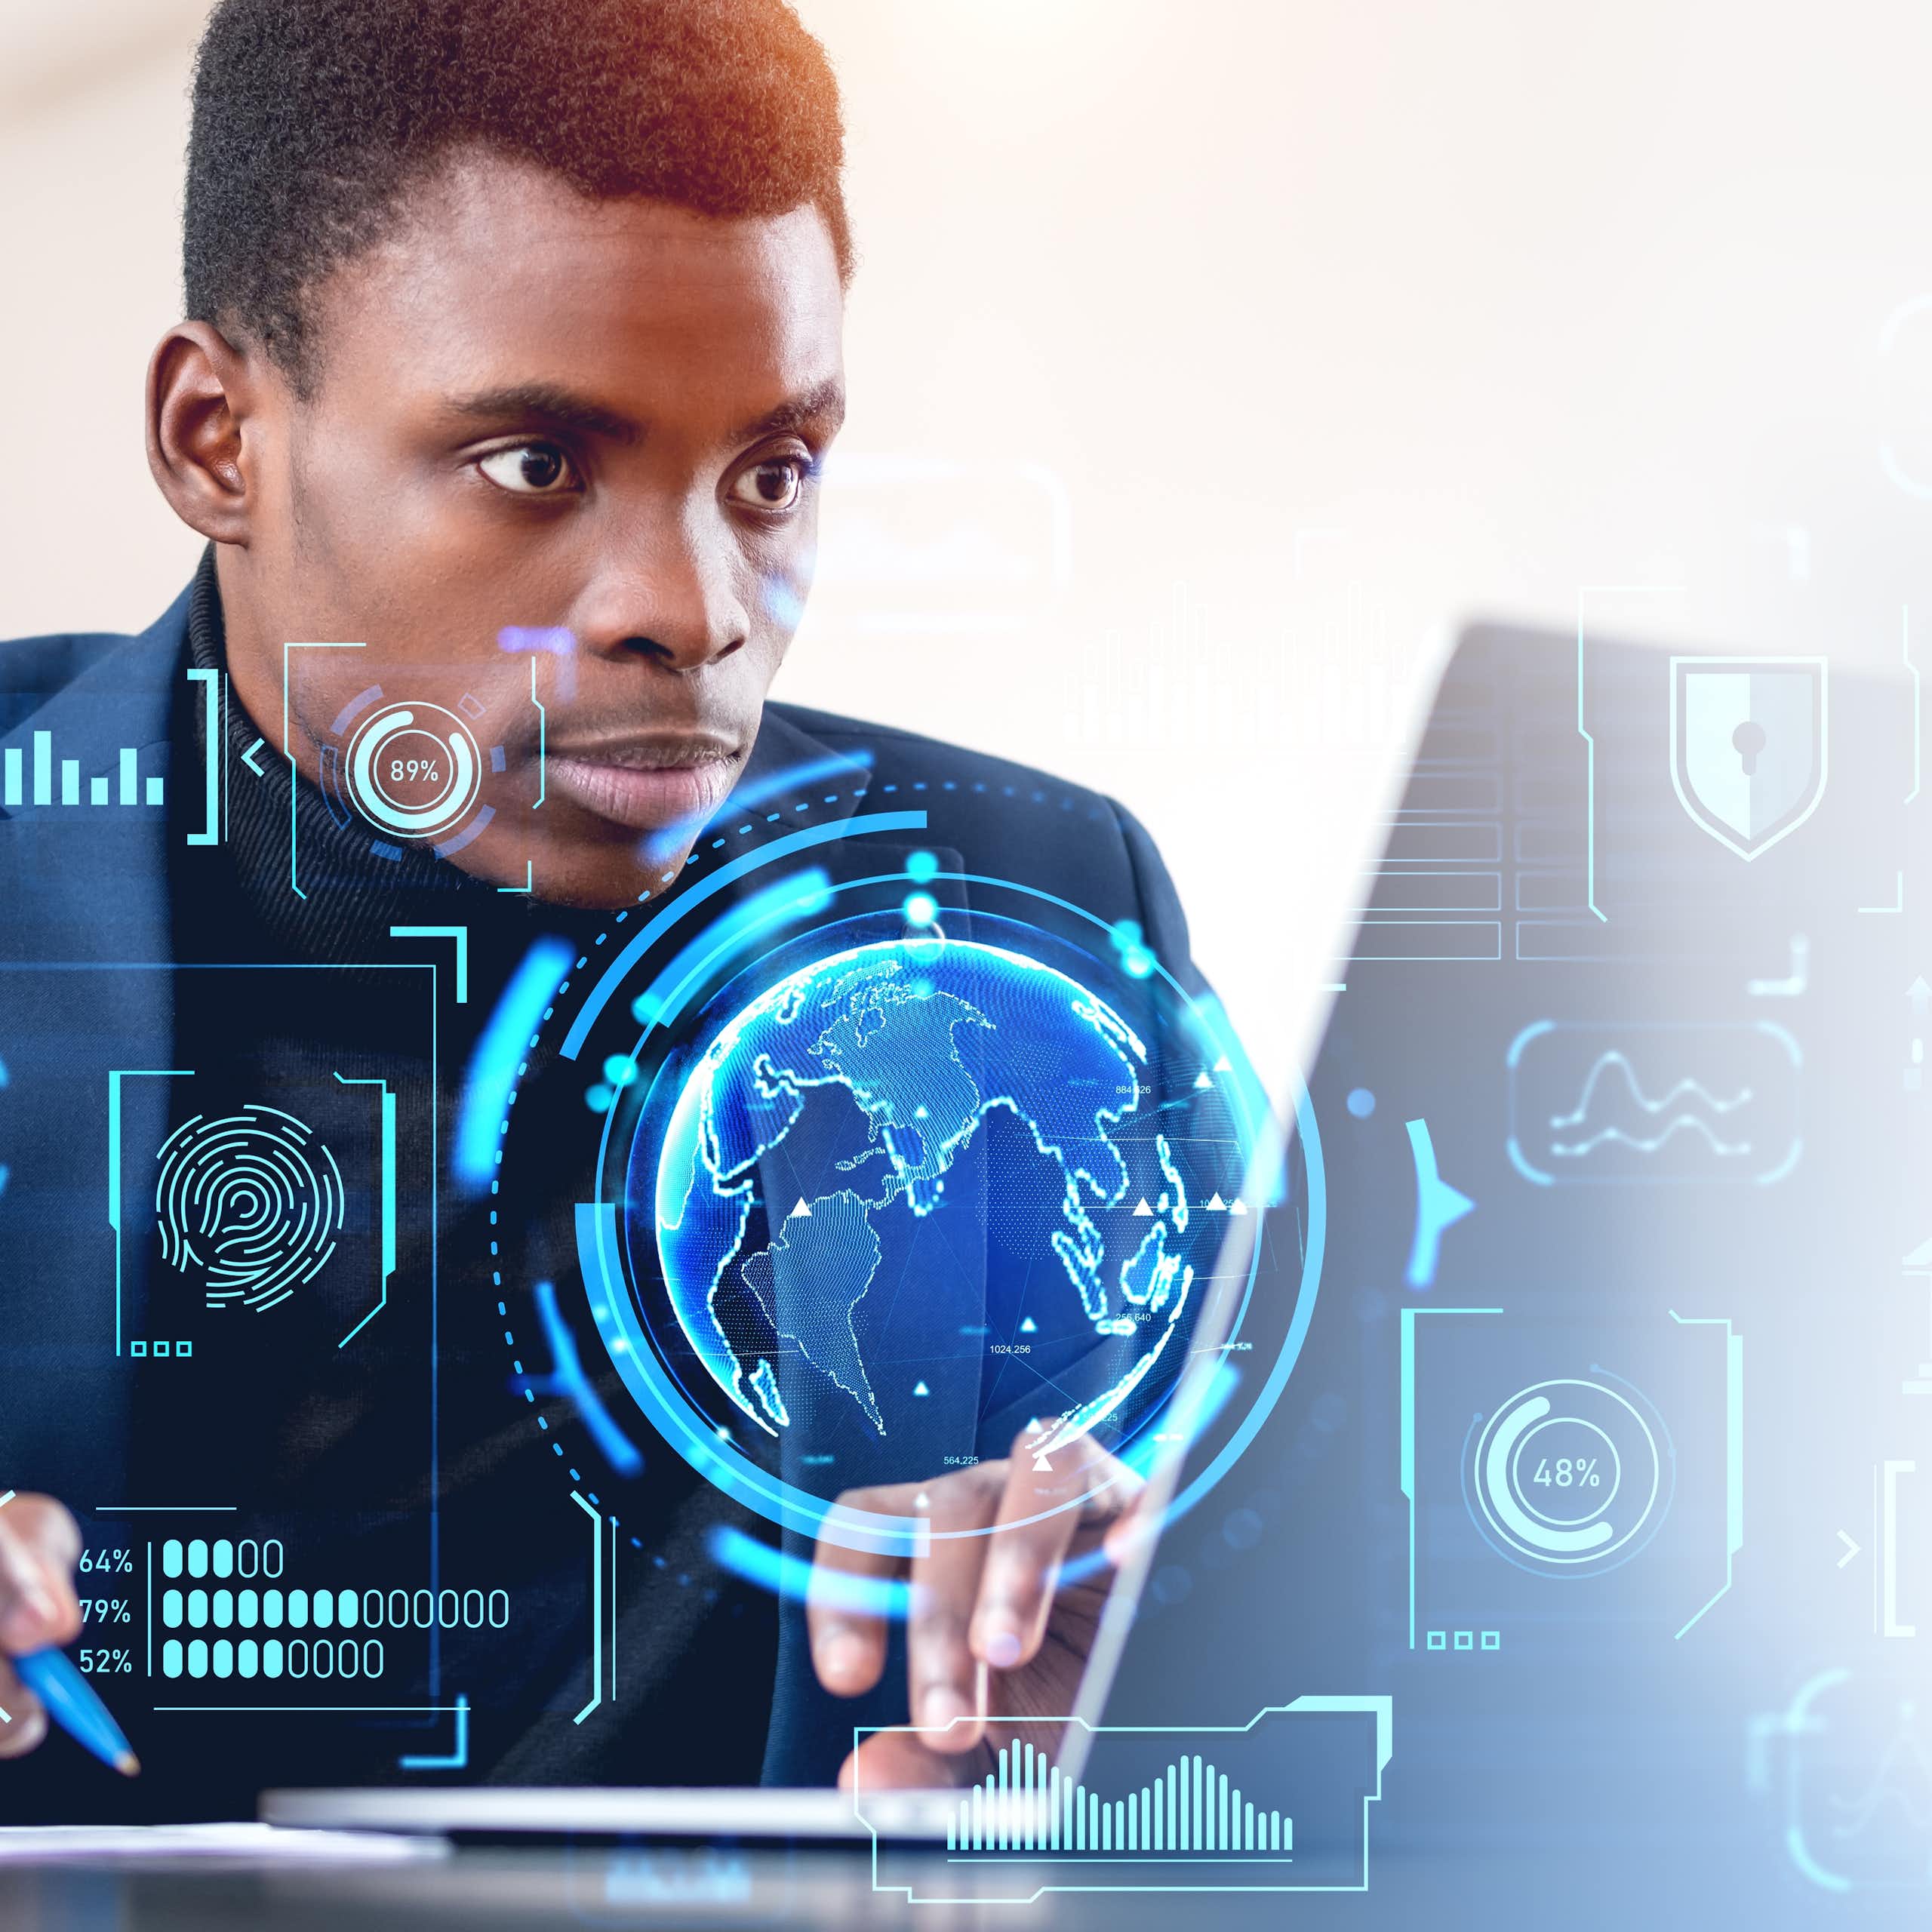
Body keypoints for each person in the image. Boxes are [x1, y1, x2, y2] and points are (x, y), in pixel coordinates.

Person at [0, 0, 1202, 1815]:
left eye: (769, 475)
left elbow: (1345, 1720)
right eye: (536, 465)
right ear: (215, 437)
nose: (695, 608)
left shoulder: (1028, 920)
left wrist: (1146, 1749)